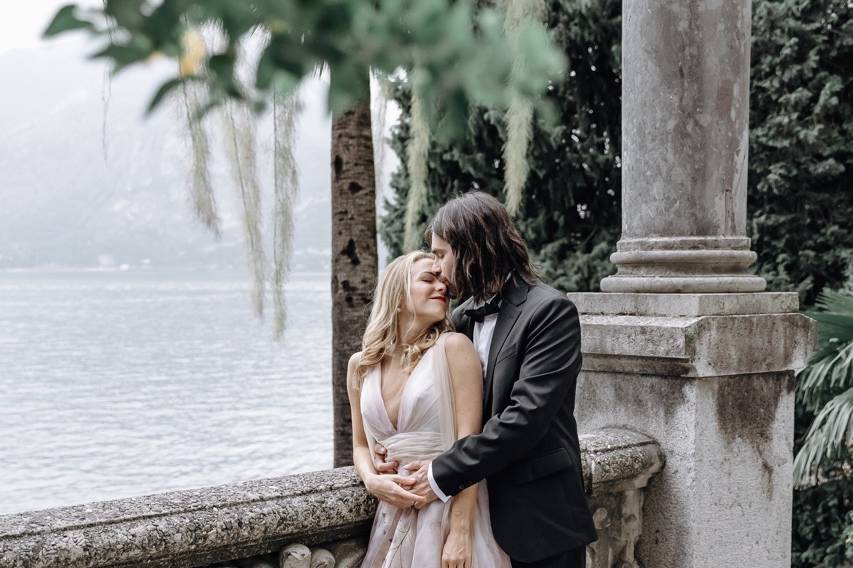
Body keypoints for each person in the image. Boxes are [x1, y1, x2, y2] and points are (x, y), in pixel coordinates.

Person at [375, 192, 597, 567]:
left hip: (540, 519)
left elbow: (524, 419)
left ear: (472, 247)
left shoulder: (550, 312)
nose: (438, 268)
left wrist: (439, 472)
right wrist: (393, 448)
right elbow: (442, 407)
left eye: (442, 254)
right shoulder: (460, 319)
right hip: (473, 518)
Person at [347, 250, 511, 568]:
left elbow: (470, 442)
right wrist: (371, 479)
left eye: (443, 281)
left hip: (449, 506)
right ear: (396, 295)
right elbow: (360, 444)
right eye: (428, 279)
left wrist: (461, 531)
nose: (442, 286)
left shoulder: (454, 348)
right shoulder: (360, 366)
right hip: (391, 514)